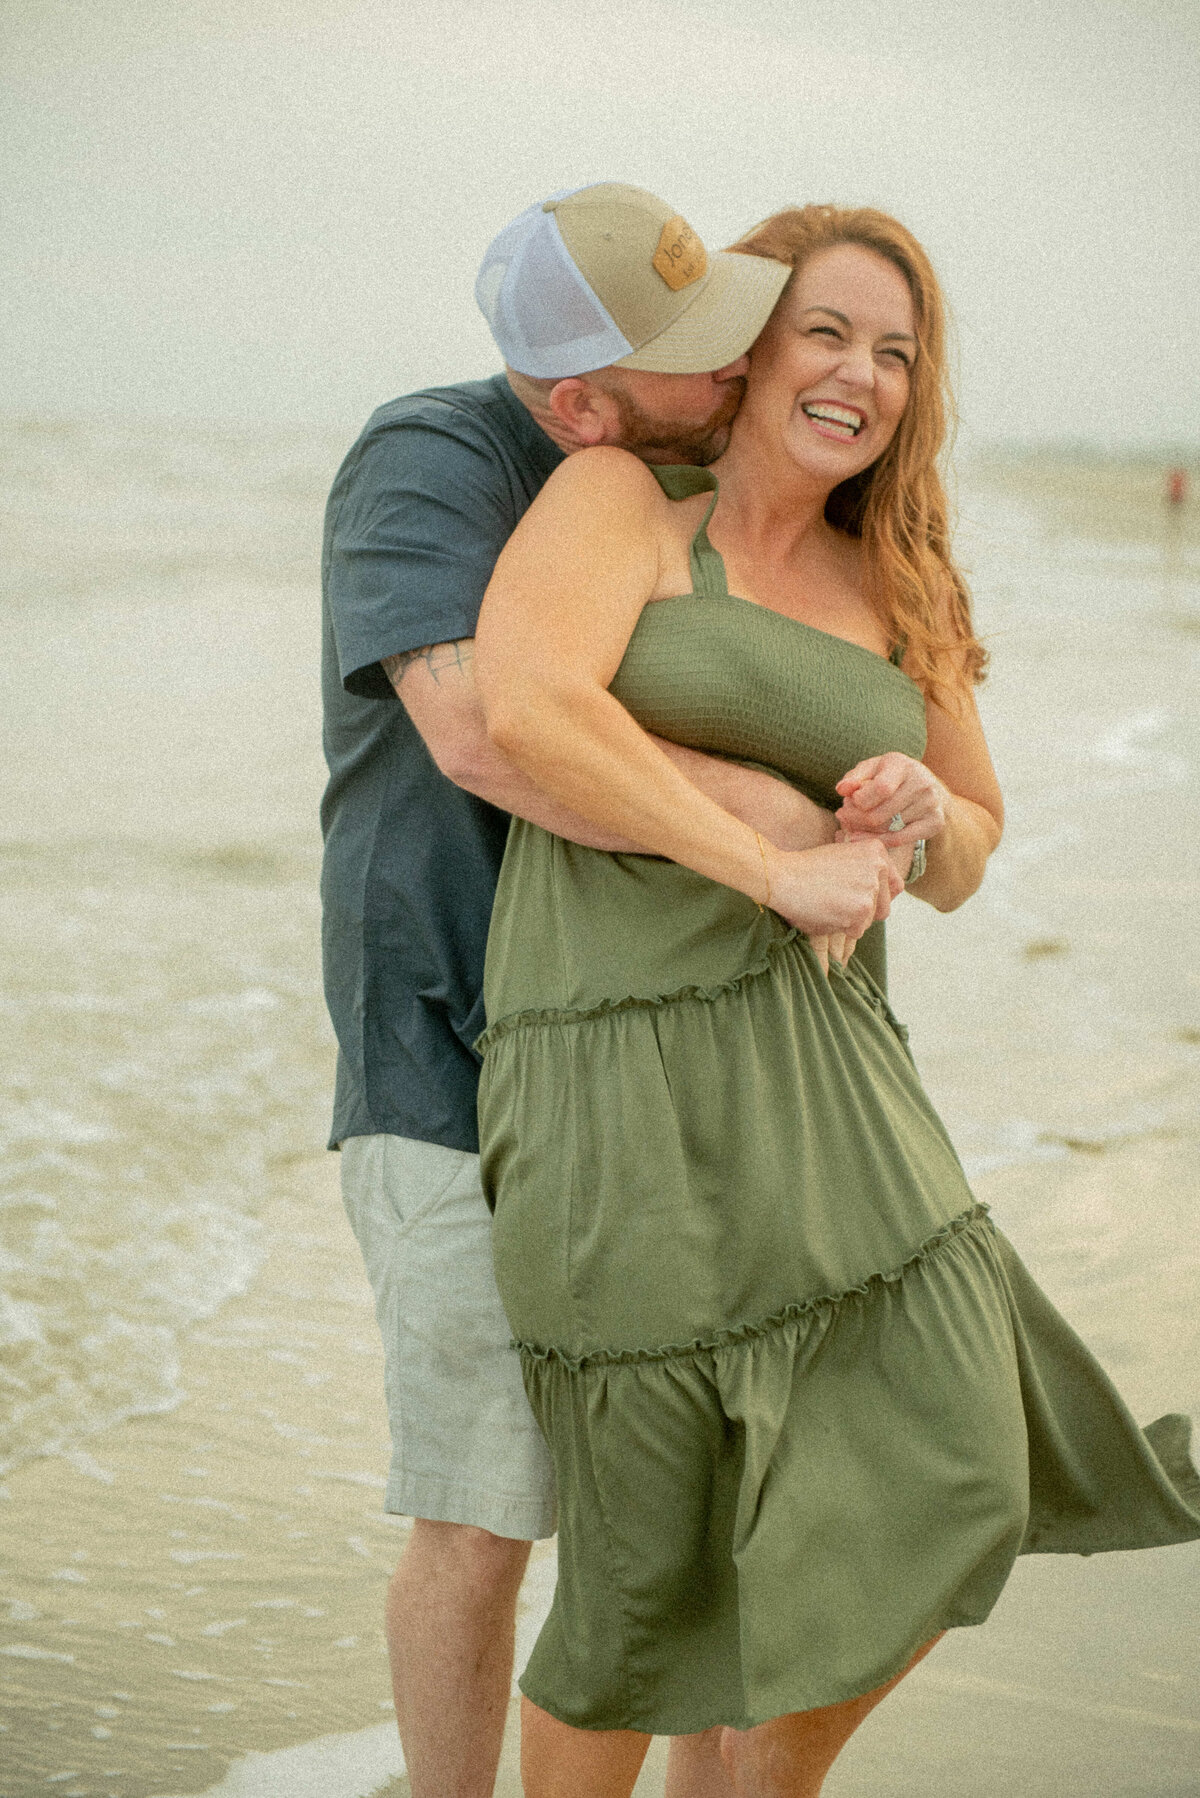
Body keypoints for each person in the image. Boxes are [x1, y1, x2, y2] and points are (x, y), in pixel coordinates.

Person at [472, 203, 1200, 1797]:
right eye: (826, 332)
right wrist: (767, 857)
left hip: (834, 1068)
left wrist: (924, 820)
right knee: (644, 1558)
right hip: (617, 1062)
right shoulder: (626, 503)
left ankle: (757, 1781)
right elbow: (528, 704)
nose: (860, 375)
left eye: (895, 350)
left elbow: (973, 846)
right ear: (745, 350)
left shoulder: (905, 572)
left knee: (961, 1447)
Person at [319, 182, 879, 1797]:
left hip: (664, 1067)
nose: (740, 376)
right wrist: (769, 834)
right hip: (446, 1052)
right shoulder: (428, 467)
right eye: (701, 362)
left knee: (694, 1505)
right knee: (488, 1509)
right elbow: (487, 733)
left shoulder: (682, 471)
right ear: (578, 405)